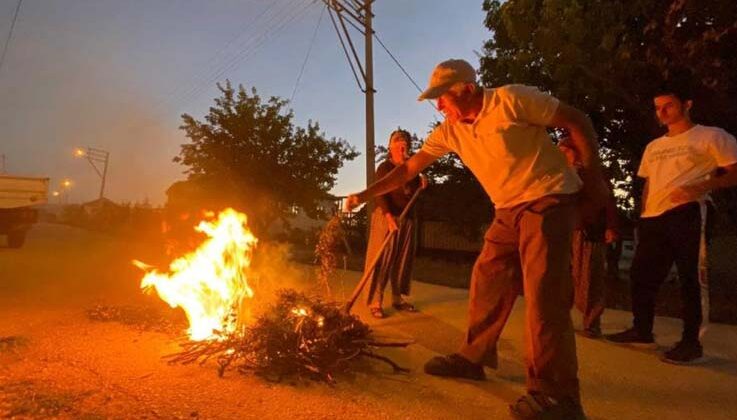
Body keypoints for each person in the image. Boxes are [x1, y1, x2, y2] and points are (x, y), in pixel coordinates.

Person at [344, 59, 607, 420]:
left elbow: (576, 120)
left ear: (468, 90)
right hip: (507, 209)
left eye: (443, 97)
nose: (439, 106)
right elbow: (407, 169)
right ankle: (474, 357)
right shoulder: (451, 130)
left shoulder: (511, 100)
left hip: (548, 198)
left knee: (544, 294)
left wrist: (596, 184)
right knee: (487, 279)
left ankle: (558, 397)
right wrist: (364, 194)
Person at [605, 83, 737, 364]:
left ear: (687, 105)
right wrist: (642, 214)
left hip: (688, 211)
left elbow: (733, 172)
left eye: (669, 106)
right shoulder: (654, 147)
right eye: (658, 108)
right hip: (653, 217)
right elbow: (649, 183)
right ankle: (642, 330)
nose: (662, 112)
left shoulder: (710, 136)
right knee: (641, 275)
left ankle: (691, 343)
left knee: (690, 277)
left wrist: (703, 185)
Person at [558, 137, 620, 338]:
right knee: (564, 276)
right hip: (566, 228)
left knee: (590, 277)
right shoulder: (561, 173)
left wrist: (610, 227)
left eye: (566, 151)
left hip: (589, 230)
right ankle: (560, 318)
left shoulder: (592, 173)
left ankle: (592, 323)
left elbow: (607, 202)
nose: (562, 155)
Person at [364, 129, 426, 318]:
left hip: (406, 218)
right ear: (391, 147)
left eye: (405, 143)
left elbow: (411, 193)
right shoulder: (385, 168)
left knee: (402, 260)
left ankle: (397, 299)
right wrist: (389, 217)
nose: (402, 146)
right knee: (382, 259)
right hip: (386, 217)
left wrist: (422, 183)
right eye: (398, 143)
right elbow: (380, 193)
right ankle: (376, 301)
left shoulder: (412, 169)